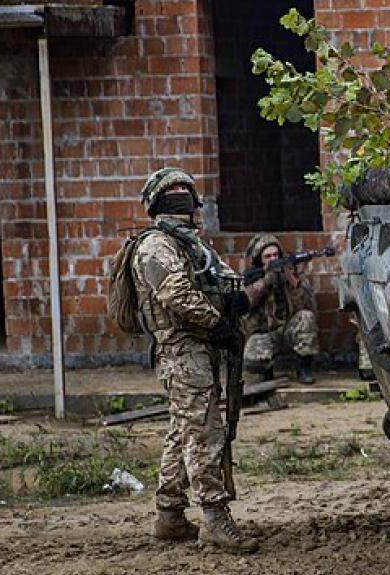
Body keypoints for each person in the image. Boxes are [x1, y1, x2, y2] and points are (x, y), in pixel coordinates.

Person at [130, 167, 257, 553]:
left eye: (187, 191)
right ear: (159, 203)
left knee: (182, 430)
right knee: (204, 432)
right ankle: (215, 517)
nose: (184, 197)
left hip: (200, 349)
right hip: (181, 350)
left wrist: (237, 297)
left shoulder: (192, 244)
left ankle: (169, 514)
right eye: (176, 193)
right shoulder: (155, 246)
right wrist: (216, 321)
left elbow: (220, 276)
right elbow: (177, 294)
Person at [241, 234, 320, 385]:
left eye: (276, 255)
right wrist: (266, 281)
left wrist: (290, 278)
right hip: (264, 332)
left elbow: (309, 304)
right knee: (253, 371)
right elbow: (246, 302)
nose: (273, 259)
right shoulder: (253, 278)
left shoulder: (292, 274)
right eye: (268, 256)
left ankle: (304, 369)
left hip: (289, 328)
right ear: (259, 259)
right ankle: (266, 372)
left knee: (306, 317)